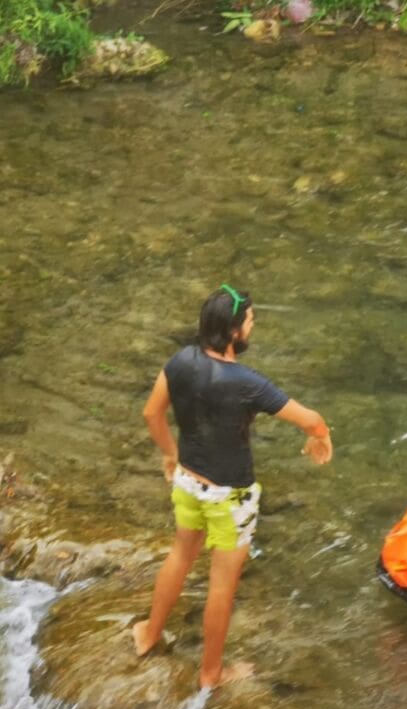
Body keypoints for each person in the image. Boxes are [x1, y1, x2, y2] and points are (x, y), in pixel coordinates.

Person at [133, 283, 333, 688]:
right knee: (222, 585)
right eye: (251, 320)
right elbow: (311, 420)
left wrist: (170, 454)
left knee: (180, 555)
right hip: (231, 496)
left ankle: (149, 635)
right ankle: (211, 673)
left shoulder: (180, 361)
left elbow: (152, 414)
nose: (253, 326)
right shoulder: (248, 383)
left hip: (188, 481)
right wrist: (321, 438)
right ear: (233, 331)